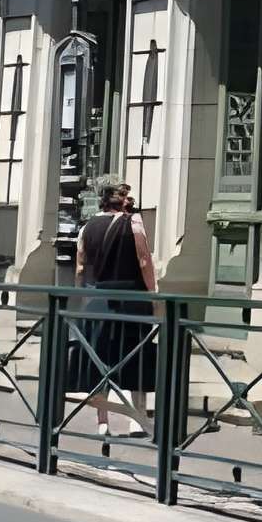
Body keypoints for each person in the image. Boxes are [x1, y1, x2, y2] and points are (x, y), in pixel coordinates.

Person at [68, 181, 158, 440]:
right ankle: (136, 421)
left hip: (97, 299)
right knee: (135, 358)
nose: (129, 199)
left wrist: (82, 297)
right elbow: (144, 261)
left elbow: (81, 267)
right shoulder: (134, 224)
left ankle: (103, 421)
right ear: (119, 200)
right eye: (125, 195)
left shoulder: (86, 228)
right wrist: (154, 295)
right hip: (131, 299)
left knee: (99, 360)